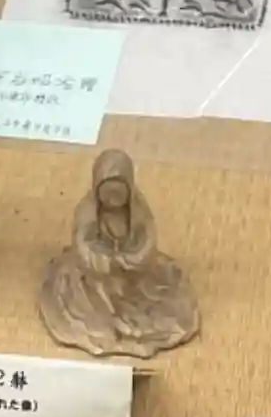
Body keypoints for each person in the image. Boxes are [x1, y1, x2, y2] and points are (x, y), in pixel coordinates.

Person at [39, 150, 199, 359]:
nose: (113, 200)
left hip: (133, 269)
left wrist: (133, 259)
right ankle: (110, 321)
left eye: (119, 193)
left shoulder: (139, 211)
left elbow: (147, 240)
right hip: (98, 271)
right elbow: (82, 242)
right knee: (99, 293)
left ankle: (132, 320)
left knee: (145, 295)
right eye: (107, 193)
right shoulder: (87, 210)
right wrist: (100, 260)